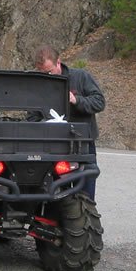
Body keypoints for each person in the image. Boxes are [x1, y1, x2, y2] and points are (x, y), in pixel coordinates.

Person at [33, 45, 105, 200]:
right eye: (42, 73)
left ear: (58, 62)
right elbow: (32, 116)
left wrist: (76, 100)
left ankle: (84, 215)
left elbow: (99, 102)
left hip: (82, 142)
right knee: (56, 189)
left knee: (85, 187)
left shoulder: (80, 77)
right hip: (52, 144)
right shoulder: (38, 84)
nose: (47, 76)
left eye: (50, 71)